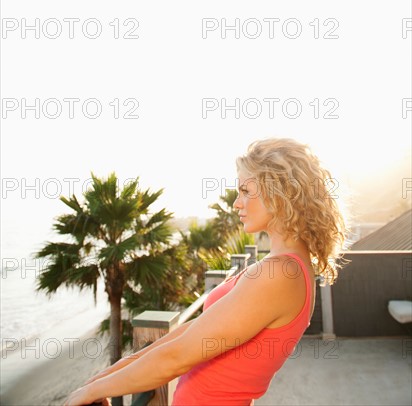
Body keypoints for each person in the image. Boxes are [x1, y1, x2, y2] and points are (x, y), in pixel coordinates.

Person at [64, 137, 349, 406]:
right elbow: (182, 337)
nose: (237, 202)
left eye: (246, 191)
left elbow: (175, 358)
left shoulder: (279, 274)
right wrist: (102, 379)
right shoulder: (286, 266)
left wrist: (91, 391)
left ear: (281, 195)